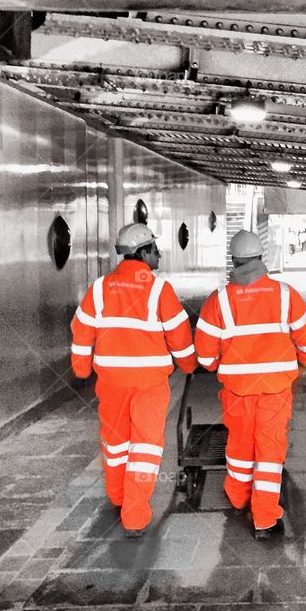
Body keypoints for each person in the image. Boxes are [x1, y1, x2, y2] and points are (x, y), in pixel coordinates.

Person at [70, 222, 196, 538]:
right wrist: (189, 364)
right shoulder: (158, 290)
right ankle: (135, 517)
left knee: (115, 444)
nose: (159, 254)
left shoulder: (100, 288)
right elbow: (179, 335)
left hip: (110, 383)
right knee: (146, 447)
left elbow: (82, 330)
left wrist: (82, 369)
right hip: (149, 384)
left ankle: (119, 498)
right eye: (155, 249)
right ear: (143, 252)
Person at [195, 230, 306, 539]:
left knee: (238, 444)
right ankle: (264, 517)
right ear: (261, 258)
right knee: (269, 446)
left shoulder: (218, 300)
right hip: (275, 388)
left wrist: (215, 366)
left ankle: (238, 497)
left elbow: (205, 352)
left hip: (237, 389)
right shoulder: (285, 294)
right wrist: (304, 361)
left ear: (233, 261)